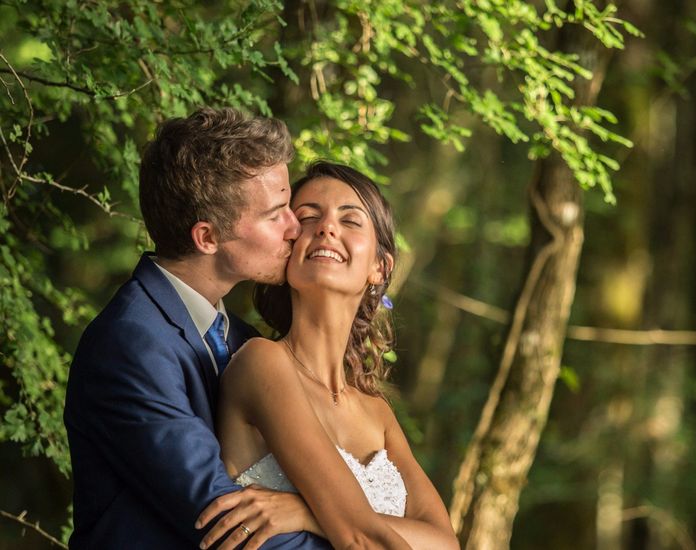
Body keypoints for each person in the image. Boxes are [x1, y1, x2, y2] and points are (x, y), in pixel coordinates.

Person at [64, 108, 330, 549]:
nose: (294, 227)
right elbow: (225, 520)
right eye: (275, 213)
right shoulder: (131, 346)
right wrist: (356, 539)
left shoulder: (244, 340)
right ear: (207, 237)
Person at [197, 162, 459, 550]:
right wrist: (339, 520)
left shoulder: (377, 412)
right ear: (287, 249)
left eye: (350, 220)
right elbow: (359, 537)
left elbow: (446, 544)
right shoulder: (261, 363)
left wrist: (306, 512)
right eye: (307, 217)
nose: (327, 227)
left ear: (379, 267)